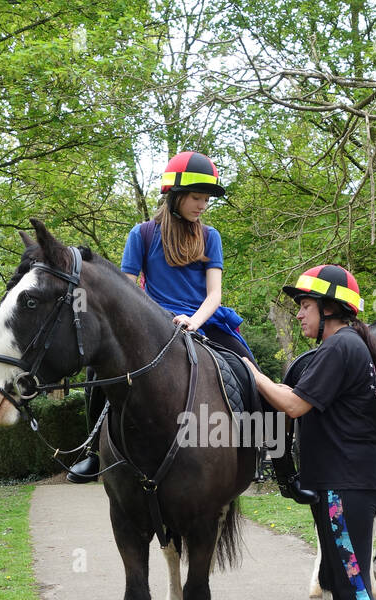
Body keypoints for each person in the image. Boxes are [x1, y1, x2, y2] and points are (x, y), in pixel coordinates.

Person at [244, 266, 376, 600]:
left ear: (330, 308)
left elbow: (291, 404)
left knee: (355, 586)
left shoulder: (341, 345)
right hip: (338, 484)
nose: (300, 314)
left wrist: (251, 372)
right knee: (341, 584)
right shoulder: (341, 346)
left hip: (347, 484)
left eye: (305, 306)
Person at [69, 150, 254, 482]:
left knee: (247, 368)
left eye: (206, 199)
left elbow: (214, 294)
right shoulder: (141, 235)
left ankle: (257, 451)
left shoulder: (211, 237)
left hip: (204, 321)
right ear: (174, 197)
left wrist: (194, 321)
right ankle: (94, 453)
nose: (202, 205)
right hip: (152, 324)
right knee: (99, 371)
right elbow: (127, 292)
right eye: (197, 197)